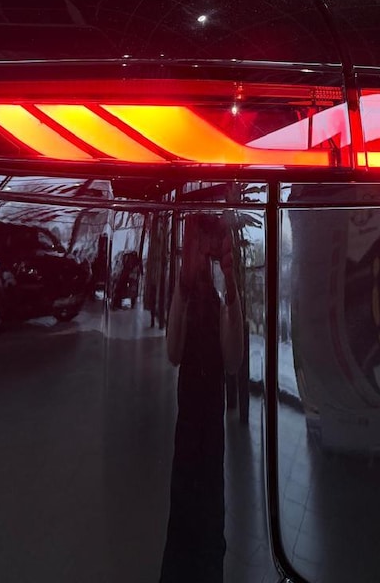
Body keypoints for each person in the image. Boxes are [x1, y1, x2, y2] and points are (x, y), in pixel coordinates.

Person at [160, 214, 244, 583]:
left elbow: (234, 360)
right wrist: (183, 283)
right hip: (190, 405)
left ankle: (208, 568)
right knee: (184, 494)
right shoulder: (186, 291)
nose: (205, 252)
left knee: (210, 494)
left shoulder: (223, 294)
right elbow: (173, 352)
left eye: (213, 243)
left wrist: (230, 286)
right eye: (199, 243)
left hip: (211, 408)